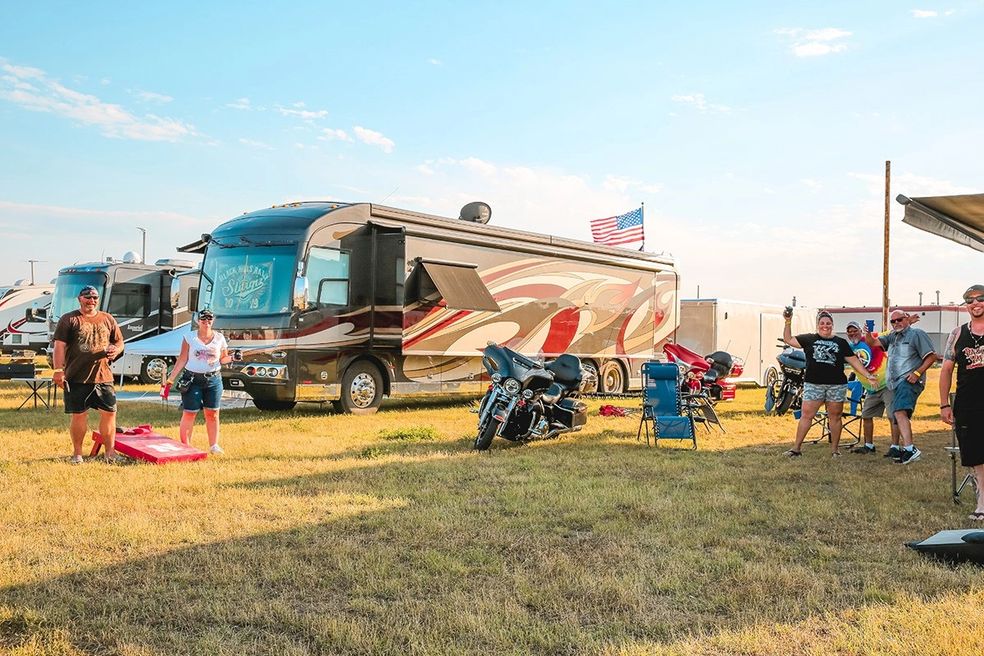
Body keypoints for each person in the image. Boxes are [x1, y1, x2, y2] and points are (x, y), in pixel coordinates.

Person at [783, 310, 877, 457]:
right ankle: (796, 449)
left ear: (832, 325)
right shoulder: (809, 339)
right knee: (807, 415)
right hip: (813, 384)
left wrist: (868, 375)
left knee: (835, 416)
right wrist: (788, 321)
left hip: (836, 385)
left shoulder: (841, 342)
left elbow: (854, 361)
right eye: (822, 323)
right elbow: (788, 339)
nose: (825, 326)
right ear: (818, 325)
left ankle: (835, 450)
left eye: (828, 323)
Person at [51, 285, 125, 464]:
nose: (91, 301)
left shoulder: (107, 318)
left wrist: (116, 350)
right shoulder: (69, 319)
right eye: (87, 297)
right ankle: (77, 454)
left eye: (95, 298)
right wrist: (58, 370)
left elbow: (119, 341)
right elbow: (59, 346)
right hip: (77, 376)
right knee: (79, 415)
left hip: (103, 376)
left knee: (110, 413)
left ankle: (110, 453)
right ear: (80, 299)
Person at [867, 309, 937, 464]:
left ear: (907, 319)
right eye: (893, 321)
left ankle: (910, 449)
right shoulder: (893, 336)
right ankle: (907, 449)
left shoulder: (917, 334)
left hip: (909, 381)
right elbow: (873, 343)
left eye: (900, 319)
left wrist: (917, 373)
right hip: (894, 383)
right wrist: (868, 332)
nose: (896, 323)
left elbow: (932, 356)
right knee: (899, 415)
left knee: (899, 412)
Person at [939, 284, 984, 520]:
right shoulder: (957, 334)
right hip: (967, 402)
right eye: (969, 300)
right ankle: (982, 502)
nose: (975, 303)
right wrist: (944, 404)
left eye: (980, 298)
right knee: (975, 453)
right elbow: (946, 370)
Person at [162, 309, 230, 454]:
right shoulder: (189, 337)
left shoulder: (219, 338)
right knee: (190, 412)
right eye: (203, 319)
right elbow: (182, 359)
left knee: (213, 413)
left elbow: (223, 359)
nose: (206, 322)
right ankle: (186, 447)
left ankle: (214, 445)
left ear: (213, 320)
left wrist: (233, 358)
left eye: (209, 319)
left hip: (213, 379)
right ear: (198, 321)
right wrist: (171, 379)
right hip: (192, 379)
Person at [844, 321, 900, 455]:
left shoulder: (871, 338)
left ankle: (895, 447)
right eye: (849, 332)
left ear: (860, 331)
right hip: (871, 389)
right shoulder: (849, 349)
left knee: (893, 416)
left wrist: (907, 322)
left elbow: (891, 333)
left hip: (887, 385)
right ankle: (868, 445)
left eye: (855, 330)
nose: (852, 333)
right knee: (866, 415)